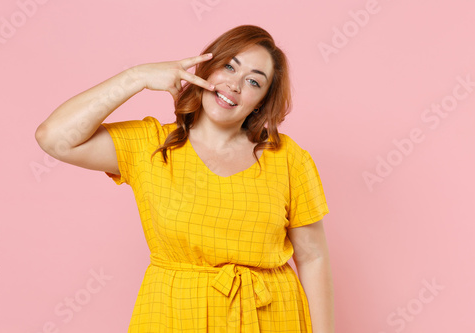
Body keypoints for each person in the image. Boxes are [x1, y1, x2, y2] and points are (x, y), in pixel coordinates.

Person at [35, 24, 334, 333]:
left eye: (253, 82)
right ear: (206, 68)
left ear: (260, 102)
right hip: (173, 316)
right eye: (229, 66)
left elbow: (313, 257)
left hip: (272, 317)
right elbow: (54, 137)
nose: (234, 84)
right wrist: (136, 77)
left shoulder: (289, 159)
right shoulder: (150, 144)